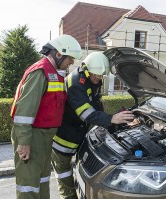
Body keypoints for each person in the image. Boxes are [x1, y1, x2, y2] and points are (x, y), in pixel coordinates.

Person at [51, 52, 134, 199]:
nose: (98, 78)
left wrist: (113, 121)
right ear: (86, 69)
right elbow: (86, 114)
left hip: (77, 135)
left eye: (101, 76)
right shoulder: (75, 83)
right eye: (96, 75)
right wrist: (111, 119)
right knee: (65, 177)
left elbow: (96, 106)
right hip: (63, 139)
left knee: (78, 175)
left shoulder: (90, 79)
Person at [10, 34, 82, 199]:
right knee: (28, 187)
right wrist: (24, 142)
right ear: (58, 54)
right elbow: (23, 113)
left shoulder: (55, 73)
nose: (71, 62)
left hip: (44, 138)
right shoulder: (40, 71)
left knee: (42, 182)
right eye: (70, 58)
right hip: (32, 137)